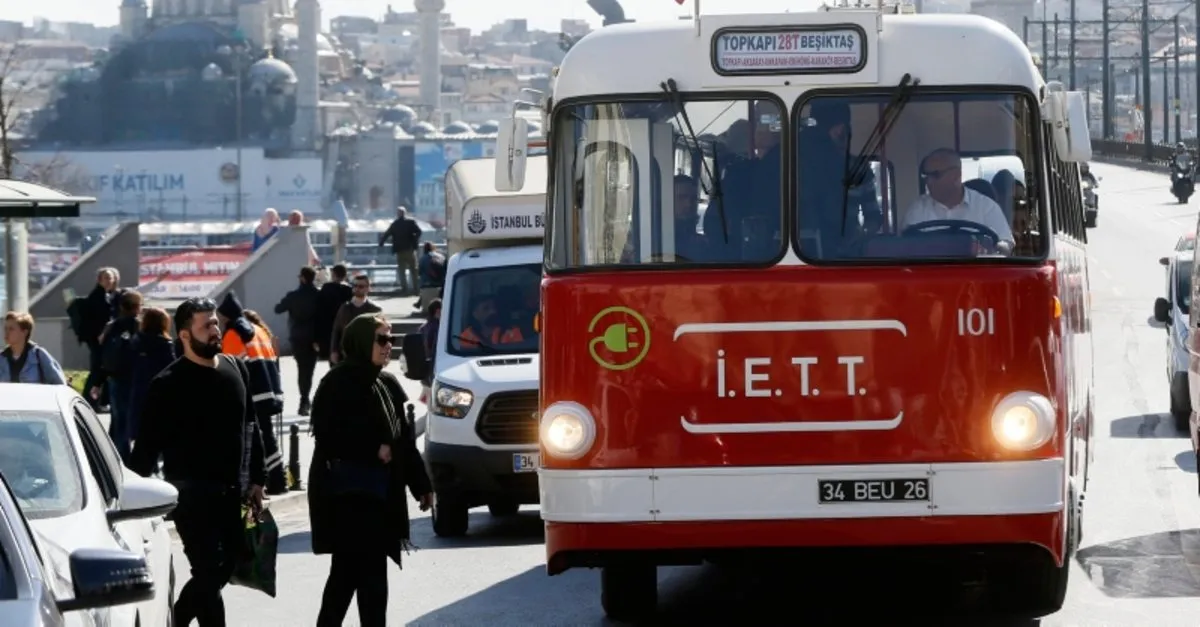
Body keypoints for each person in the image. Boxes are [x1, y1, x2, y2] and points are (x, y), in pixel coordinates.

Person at [130, 297, 266, 627]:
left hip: (234, 493)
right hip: (191, 496)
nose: (215, 330)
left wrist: (259, 479)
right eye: (206, 326)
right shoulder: (166, 385)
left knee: (224, 567)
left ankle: (175, 620)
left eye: (215, 322)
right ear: (185, 336)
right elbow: (145, 450)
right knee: (209, 569)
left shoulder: (236, 369)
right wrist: (131, 497)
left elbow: (252, 427)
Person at [308, 313, 433, 627]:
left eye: (391, 339)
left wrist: (422, 485)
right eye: (381, 339)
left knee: (363, 577)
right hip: (347, 497)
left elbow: (403, 440)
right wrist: (371, 448)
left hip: (380, 496)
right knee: (354, 576)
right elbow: (327, 434)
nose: (388, 346)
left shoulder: (387, 383)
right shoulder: (336, 382)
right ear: (362, 341)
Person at [216, 293, 289, 495]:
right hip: (271, 389)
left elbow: (230, 366)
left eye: (220, 317)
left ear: (226, 316)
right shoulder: (258, 330)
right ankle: (278, 479)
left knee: (260, 440)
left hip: (255, 393)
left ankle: (273, 480)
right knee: (268, 437)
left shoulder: (233, 334)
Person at [901, 147, 1015, 253]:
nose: (928, 182)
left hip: (976, 272)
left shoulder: (986, 207)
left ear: (956, 175)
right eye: (926, 177)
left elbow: (1005, 244)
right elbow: (907, 249)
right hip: (931, 273)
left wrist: (993, 248)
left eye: (935, 175)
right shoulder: (917, 210)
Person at [94, 290, 144, 462]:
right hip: (133, 378)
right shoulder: (139, 325)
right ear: (137, 307)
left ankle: (112, 456)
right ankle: (126, 460)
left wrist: (98, 381)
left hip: (114, 377)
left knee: (118, 420)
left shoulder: (111, 325)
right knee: (130, 420)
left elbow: (102, 353)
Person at [127, 307, 176, 456]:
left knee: (140, 427)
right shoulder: (166, 344)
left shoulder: (136, 341)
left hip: (138, 388)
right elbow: (172, 368)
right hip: (160, 390)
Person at [275, 266, 321, 415]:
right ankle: (306, 399)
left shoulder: (293, 296)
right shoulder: (319, 295)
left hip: (297, 337)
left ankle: (304, 400)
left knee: (302, 369)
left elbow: (278, 309)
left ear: (302, 278)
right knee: (310, 370)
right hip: (314, 338)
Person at [330, 274, 383, 365]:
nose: (357, 288)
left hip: (368, 355)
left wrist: (382, 353)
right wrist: (334, 350)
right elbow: (336, 330)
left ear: (368, 288)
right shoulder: (345, 307)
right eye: (355, 286)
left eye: (361, 286)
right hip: (346, 354)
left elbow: (382, 332)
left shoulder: (375, 309)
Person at [0, 311, 66, 384]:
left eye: (11, 329)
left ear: (24, 332)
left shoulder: (39, 356)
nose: (6, 332)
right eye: (5, 328)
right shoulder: (2, 358)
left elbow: (60, 384)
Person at [378, 206, 423, 294]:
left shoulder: (395, 224)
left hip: (399, 250)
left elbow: (387, 234)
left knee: (401, 271)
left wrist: (381, 243)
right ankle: (416, 289)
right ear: (405, 213)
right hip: (410, 249)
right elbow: (419, 232)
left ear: (398, 214)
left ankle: (404, 289)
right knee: (414, 270)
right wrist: (414, 239)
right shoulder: (411, 222)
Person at [316, 264, 353, 361]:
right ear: (345, 275)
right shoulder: (349, 289)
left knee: (332, 357)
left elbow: (319, 306)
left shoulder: (326, 288)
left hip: (328, 325)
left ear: (333, 274)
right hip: (345, 325)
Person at [415, 241, 446, 311]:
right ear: (433, 248)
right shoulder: (441, 256)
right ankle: (418, 303)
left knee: (424, 280)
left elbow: (419, 272)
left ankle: (419, 302)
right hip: (441, 284)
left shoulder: (422, 259)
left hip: (426, 284)